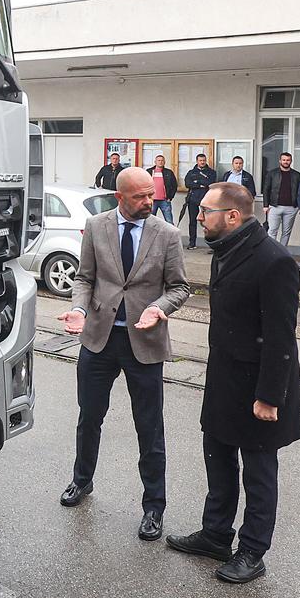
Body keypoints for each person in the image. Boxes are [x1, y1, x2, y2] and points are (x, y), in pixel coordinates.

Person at [166, 182, 300, 584]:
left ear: (232, 216)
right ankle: (215, 534)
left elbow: (280, 336)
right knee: (218, 458)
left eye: (205, 210)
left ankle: (253, 551)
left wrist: (268, 397)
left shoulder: (274, 261)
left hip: (259, 387)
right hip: (224, 379)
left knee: (258, 472)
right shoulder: (224, 250)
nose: (198, 216)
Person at [57, 166, 191, 542]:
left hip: (144, 343)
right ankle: (81, 482)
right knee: (89, 418)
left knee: (149, 430)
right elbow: (85, 278)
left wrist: (160, 308)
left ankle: (154, 507)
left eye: (151, 194)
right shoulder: (97, 226)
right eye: (140, 196)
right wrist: (80, 310)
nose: (149, 201)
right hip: (99, 340)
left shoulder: (167, 234)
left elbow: (180, 287)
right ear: (120, 197)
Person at [262, 153, 300, 249]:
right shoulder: (272, 173)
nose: (286, 162)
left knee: (286, 232)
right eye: (284, 160)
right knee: (272, 231)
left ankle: (282, 252)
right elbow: (266, 189)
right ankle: (272, 252)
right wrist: (266, 205)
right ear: (280, 161)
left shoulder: (296, 175)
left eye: (288, 160)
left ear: (291, 161)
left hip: (291, 208)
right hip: (274, 206)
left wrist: (299, 206)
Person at [183, 153, 217, 250]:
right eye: (200, 160)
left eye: (203, 160)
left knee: (209, 222)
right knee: (192, 222)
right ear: (197, 161)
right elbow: (187, 184)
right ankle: (192, 243)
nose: (202, 162)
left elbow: (210, 183)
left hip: (207, 200)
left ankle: (211, 244)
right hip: (193, 199)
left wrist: (197, 181)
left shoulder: (211, 172)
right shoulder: (191, 172)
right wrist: (199, 184)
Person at [150, 155, 179, 224]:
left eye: (162, 160)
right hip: (152, 200)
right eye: (159, 160)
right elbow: (144, 184)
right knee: (149, 221)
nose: (160, 162)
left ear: (164, 162)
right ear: (155, 162)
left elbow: (174, 185)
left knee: (169, 221)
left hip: (165, 200)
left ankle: (171, 235)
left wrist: (170, 197)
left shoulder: (169, 172)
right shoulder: (149, 171)